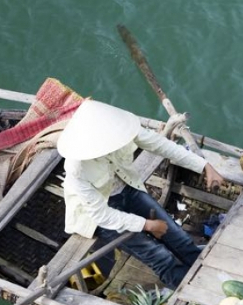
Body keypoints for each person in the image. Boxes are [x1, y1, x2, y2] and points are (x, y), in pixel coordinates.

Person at [56, 100, 225, 289]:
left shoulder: (122, 132)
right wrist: (147, 225)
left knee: (180, 238)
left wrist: (204, 166)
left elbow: (161, 145)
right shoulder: (77, 168)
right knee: (159, 256)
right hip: (97, 213)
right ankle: (193, 292)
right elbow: (101, 215)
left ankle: (211, 279)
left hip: (127, 188)